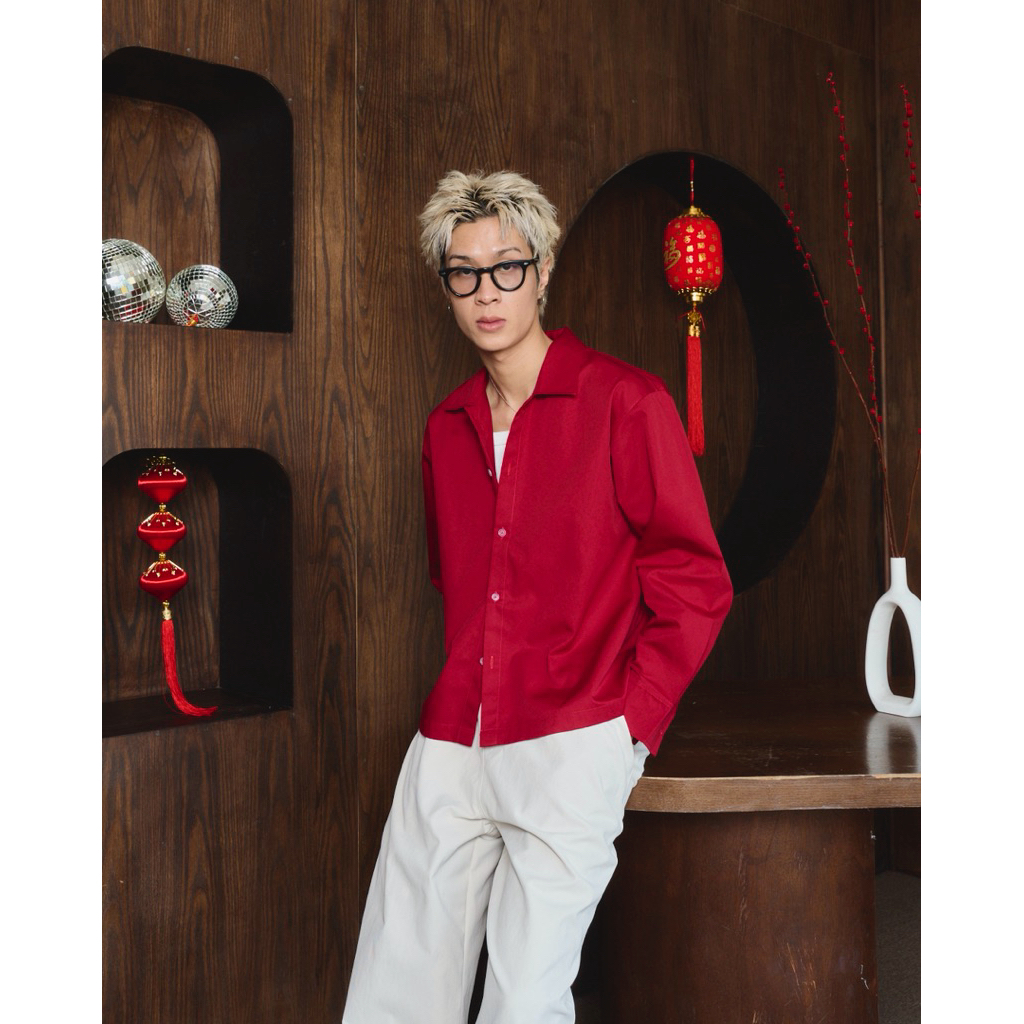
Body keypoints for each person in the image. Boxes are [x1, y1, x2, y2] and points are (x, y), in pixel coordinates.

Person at [342, 170, 732, 1024]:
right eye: (464, 273)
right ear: (446, 286)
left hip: (574, 737)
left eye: (507, 267)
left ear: (543, 270)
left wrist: (629, 726)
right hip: (453, 735)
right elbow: (458, 578)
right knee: (396, 990)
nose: (487, 291)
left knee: (523, 1000)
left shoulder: (627, 401)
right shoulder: (446, 427)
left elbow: (695, 579)